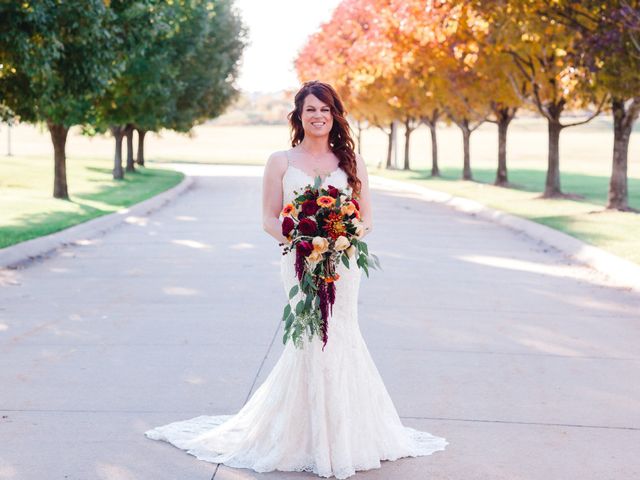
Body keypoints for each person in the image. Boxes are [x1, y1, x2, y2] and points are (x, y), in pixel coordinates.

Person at [144, 80, 448, 479]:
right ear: (299, 116)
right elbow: (269, 219)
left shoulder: (350, 163)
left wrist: (341, 239)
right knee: (308, 337)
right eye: (310, 110)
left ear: (334, 115)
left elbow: (367, 219)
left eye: (325, 109)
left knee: (341, 335)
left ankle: (344, 437)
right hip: (299, 261)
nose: (318, 116)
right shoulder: (280, 161)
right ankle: (302, 437)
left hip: (343, 264)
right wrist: (305, 241)